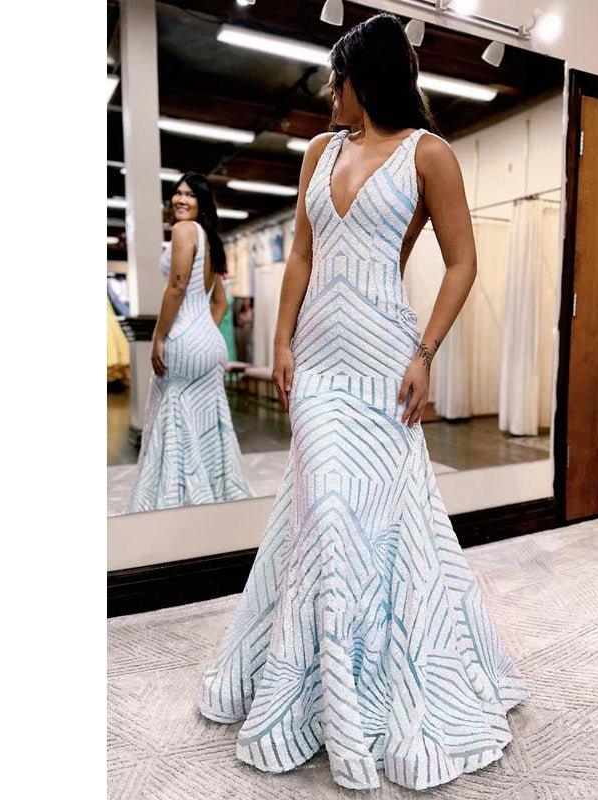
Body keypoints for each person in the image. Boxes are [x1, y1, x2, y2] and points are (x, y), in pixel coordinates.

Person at [197, 14, 526, 790]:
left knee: (374, 515)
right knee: (325, 510)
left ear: (363, 79)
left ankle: (386, 687)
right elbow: (301, 254)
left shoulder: (428, 154)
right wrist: (282, 342)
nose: (328, 93)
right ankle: (313, 692)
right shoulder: (320, 151)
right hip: (318, 360)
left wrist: (426, 352)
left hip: (384, 359)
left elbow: (462, 261)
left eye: (335, 79)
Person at [125, 173, 254, 513]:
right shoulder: (210, 239)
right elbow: (220, 302)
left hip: (183, 340)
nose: (181, 199)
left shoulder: (184, 231)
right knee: (207, 420)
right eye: (177, 193)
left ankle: (174, 502)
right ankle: (213, 496)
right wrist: (203, 330)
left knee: (173, 418)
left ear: (202, 203)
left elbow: (178, 286)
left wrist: (159, 337)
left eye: (190, 195)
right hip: (209, 344)